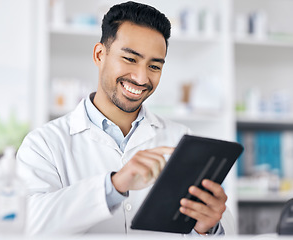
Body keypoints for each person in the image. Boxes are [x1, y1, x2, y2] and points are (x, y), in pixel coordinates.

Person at [17, 1, 234, 236]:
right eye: (130, 59)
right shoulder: (44, 144)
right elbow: (27, 225)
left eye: (154, 66)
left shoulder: (182, 139)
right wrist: (114, 186)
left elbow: (225, 230)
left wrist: (209, 226)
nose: (141, 78)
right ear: (100, 55)